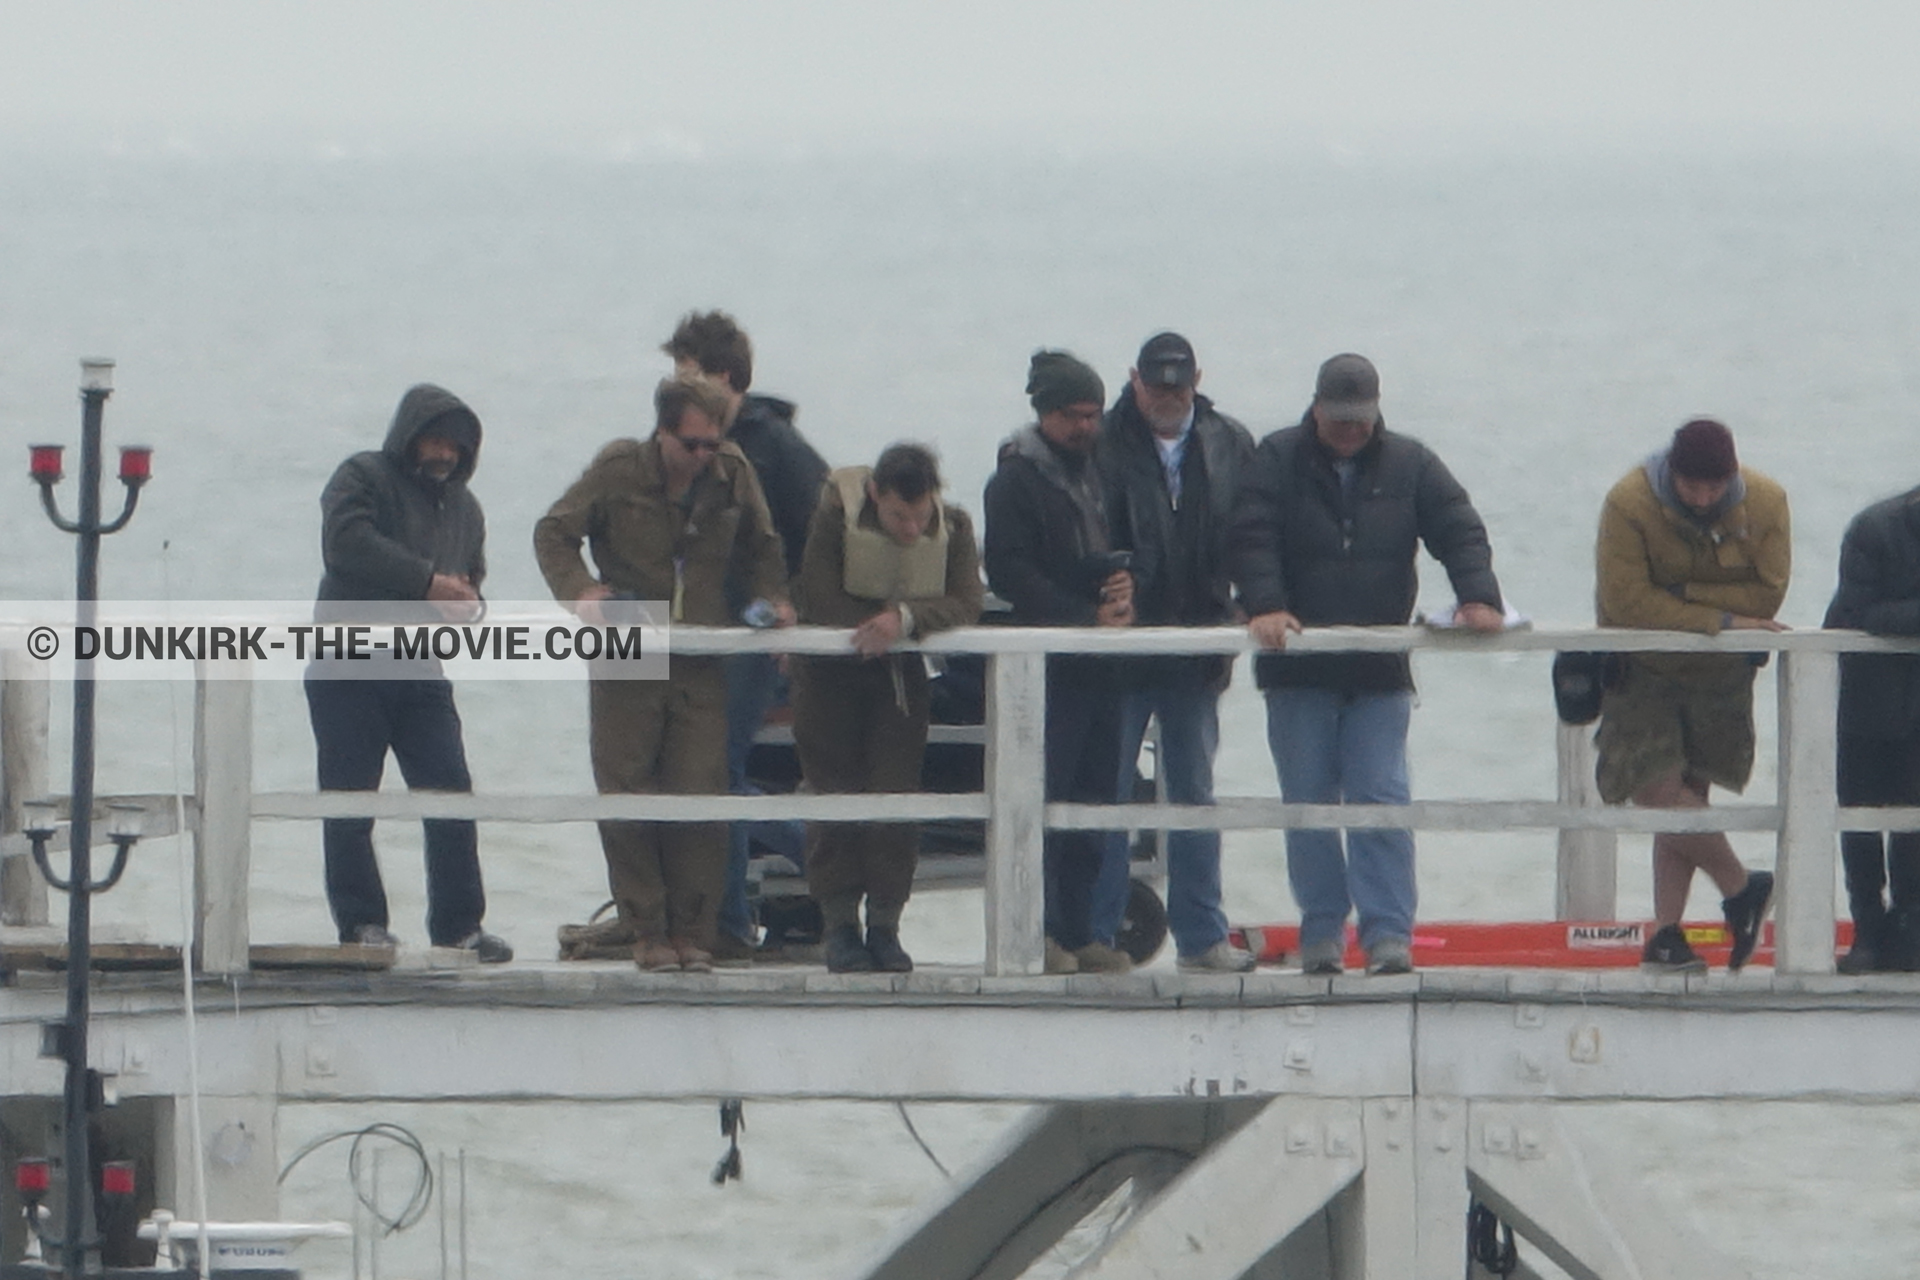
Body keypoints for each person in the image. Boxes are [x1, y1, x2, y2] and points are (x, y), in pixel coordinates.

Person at [1230, 353, 1504, 976]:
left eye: (1361, 418)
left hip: (1379, 670)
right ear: (1317, 407)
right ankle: (1322, 931)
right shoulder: (1274, 460)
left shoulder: (1411, 463)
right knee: (1308, 804)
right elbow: (1250, 537)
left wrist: (1477, 596)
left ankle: (1387, 934)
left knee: (1382, 798)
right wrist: (1266, 605)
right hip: (1297, 668)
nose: (1351, 430)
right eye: (1340, 418)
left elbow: (1458, 528)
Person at [533, 376, 792, 973]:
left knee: (699, 793)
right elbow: (554, 532)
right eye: (691, 444)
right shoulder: (619, 469)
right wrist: (581, 595)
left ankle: (693, 932)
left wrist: (774, 599)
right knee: (627, 790)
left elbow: (763, 545)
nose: (703, 456)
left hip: (699, 647)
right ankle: (645, 929)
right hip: (630, 633)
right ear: (663, 432)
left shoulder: (732, 472)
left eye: (712, 443)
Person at [304, 383, 511, 961]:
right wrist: (425, 582)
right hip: (346, 664)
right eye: (436, 439)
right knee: (349, 802)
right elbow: (344, 544)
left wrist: (469, 603)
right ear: (409, 435)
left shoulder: (466, 509)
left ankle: (460, 927)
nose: (444, 453)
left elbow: (472, 578)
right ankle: (361, 924)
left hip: (421, 669)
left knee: (451, 792)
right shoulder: (362, 476)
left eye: (457, 446)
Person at [662, 310, 828, 964]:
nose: (676, 393)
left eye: (687, 377)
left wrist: (794, 617)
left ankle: (754, 901)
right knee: (706, 771)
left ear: (725, 379)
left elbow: (821, 539)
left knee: (716, 772)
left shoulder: (771, 448)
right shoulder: (717, 446)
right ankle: (728, 913)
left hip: (756, 641)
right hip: (718, 637)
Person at [1594, 418, 1787, 973]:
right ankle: (1741, 885)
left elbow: (1768, 592)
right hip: (1642, 670)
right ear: (1670, 472)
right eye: (1691, 487)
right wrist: (1724, 614)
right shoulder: (1628, 504)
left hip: (1718, 674)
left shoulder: (1768, 503)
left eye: (1714, 488)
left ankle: (1667, 934)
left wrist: (1680, 594)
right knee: (1654, 790)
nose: (1703, 499)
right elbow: (1626, 601)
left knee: (1688, 798)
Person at [1098, 332, 1258, 972]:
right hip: (1122, 655)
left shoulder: (1229, 441)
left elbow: (1254, 530)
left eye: (1179, 385)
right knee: (1104, 796)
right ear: (1133, 379)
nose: (1168, 397)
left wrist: (1253, 598)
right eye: (1157, 385)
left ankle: (1202, 936)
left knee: (1195, 794)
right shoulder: (1103, 445)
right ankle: (1098, 933)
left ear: (1197, 379)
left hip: (1198, 647)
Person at [791, 443, 984, 972]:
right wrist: (867, 625)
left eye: (919, 517)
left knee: (896, 803)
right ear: (875, 495)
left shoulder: (955, 529)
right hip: (829, 681)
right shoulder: (835, 519)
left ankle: (885, 924)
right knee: (834, 799)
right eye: (898, 515)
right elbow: (817, 594)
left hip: (900, 682)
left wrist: (903, 619)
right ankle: (839, 926)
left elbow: (967, 599)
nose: (909, 528)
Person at [983, 350, 1135, 975]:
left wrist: (1128, 585)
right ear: (1043, 412)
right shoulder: (1015, 482)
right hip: (1050, 666)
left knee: (1094, 804)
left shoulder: (1106, 469)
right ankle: (1039, 930)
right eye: (1074, 415)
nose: (1088, 428)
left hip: (1102, 663)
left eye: (1094, 415)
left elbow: (1136, 537)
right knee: (1042, 800)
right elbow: (1010, 570)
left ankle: (1080, 931)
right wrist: (1079, 616)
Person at [1822, 487, 1920, 971]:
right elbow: (1855, 613)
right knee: (1858, 820)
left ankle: (1908, 929)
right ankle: (1866, 926)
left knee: (1913, 825)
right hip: (1867, 698)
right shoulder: (1873, 529)